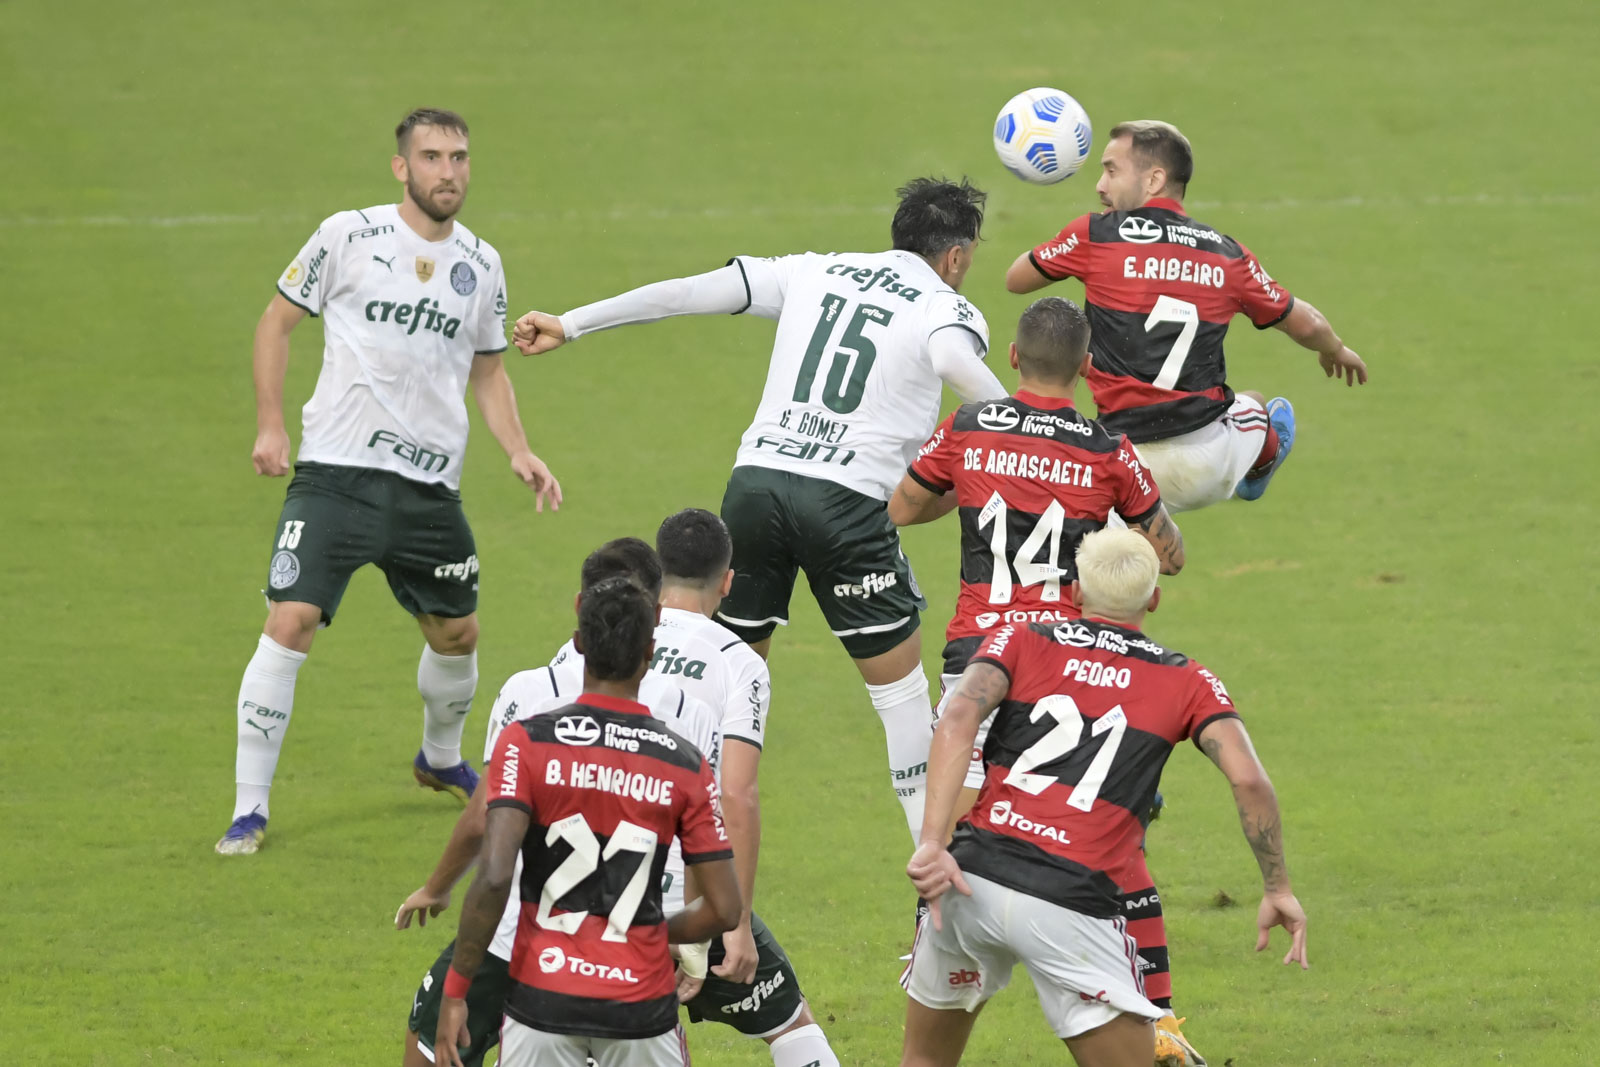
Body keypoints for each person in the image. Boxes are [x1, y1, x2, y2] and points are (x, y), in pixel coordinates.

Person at [512, 178, 1009, 842]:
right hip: (846, 504)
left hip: (755, 489)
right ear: (955, 256)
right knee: (900, 701)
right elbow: (950, 358)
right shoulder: (944, 305)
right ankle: (936, 885)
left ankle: (669, 849)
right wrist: (1022, 422)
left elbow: (684, 292)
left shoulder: (811, 271)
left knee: (727, 679)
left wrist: (570, 323)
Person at [216, 107, 562, 855]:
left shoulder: (481, 264)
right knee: (290, 620)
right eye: (432, 157)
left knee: (457, 632)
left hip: (427, 490)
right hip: (334, 478)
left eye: (459, 157)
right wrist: (271, 424)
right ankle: (249, 809)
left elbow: (489, 371)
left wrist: (518, 449)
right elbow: (276, 322)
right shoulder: (347, 235)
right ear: (402, 167)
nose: (448, 171)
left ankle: (439, 758)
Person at [888, 297, 1192, 1051]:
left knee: (959, 828)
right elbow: (1170, 554)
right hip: (1064, 661)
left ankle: (938, 974)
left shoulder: (969, 427)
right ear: (1087, 367)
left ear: (1015, 358)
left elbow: (903, 506)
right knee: (1106, 827)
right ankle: (1156, 1018)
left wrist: (974, 483)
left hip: (977, 657)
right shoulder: (1108, 451)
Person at [900, 529, 1308, 1067]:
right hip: (1070, 902)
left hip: (970, 880)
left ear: (1075, 593)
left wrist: (933, 842)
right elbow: (1249, 780)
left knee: (925, 1060)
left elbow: (958, 715)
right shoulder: (1188, 680)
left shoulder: (1019, 637)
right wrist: (1277, 886)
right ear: (1154, 598)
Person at [396, 538, 723, 1067]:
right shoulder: (689, 723)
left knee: (428, 1048)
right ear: (654, 628)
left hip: (524, 950)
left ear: (579, 617)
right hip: (635, 963)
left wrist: (438, 889)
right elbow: (717, 879)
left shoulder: (530, 708)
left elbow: (486, 832)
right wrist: (669, 934)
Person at [547, 511, 839, 1067]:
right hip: (687, 897)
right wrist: (736, 922)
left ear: (658, 573)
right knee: (789, 1024)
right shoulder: (737, 662)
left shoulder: (590, 643)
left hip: (576, 884)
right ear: (727, 582)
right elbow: (737, 795)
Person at [1005, 119, 1368, 511]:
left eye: (1111, 171)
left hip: (1122, 470)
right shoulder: (1226, 253)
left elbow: (1016, 280)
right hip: (1208, 466)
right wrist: (1335, 349)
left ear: (1154, 179)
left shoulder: (1096, 234)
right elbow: (1306, 323)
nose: (1100, 186)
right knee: (1254, 404)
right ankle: (1264, 455)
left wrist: (1079, 241)